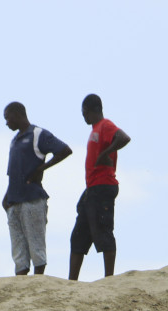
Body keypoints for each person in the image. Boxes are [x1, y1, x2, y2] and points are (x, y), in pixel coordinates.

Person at [2, 102, 72, 276]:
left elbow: (64, 150)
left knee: (36, 245)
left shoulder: (37, 134)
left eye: (7, 118)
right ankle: (21, 286)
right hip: (14, 201)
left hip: (32, 199)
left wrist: (42, 168)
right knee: (18, 250)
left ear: (17, 114)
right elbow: (13, 173)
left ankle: (38, 283)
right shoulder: (15, 140)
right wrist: (6, 197)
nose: (6, 123)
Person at [69, 94, 131, 281]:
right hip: (92, 187)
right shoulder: (95, 129)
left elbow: (123, 137)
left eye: (84, 112)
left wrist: (107, 152)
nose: (83, 116)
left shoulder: (105, 125)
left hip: (103, 185)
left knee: (103, 230)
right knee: (79, 235)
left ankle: (109, 278)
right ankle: (72, 281)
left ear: (90, 109)